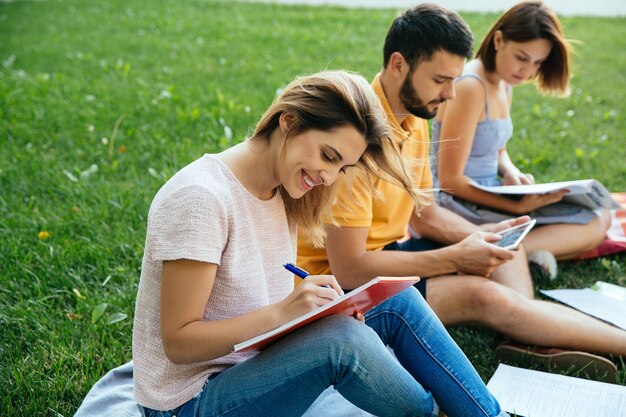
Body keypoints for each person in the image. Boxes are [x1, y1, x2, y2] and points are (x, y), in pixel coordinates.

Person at [132, 70, 509, 417]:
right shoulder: (201, 198)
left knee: (394, 300)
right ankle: (430, 413)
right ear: (289, 120)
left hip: (247, 364)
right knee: (341, 343)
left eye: (341, 167)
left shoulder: (280, 190)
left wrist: (316, 314)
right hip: (189, 402)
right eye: (328, 156)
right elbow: (179, 343)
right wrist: (286, 313)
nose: (328, 178)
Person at [297, 4, 626, 381]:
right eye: (440, 80)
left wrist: (481, 237)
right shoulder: (355, 140)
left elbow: (425, 213)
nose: (451, 94)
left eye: (454, 80)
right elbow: (350, 267)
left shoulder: (411, 114)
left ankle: (528, 334)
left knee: (506, 249)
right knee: (487, 296)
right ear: (398, 64)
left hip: (386, 259)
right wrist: (454, 256)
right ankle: (566, 334)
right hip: (342, 290)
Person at [431, 0, 610, 269]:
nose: (526, 71)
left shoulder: (504, 82)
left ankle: (518, 255)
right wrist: (516, 208)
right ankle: (508, 254)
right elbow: (450, 180)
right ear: (499, 40)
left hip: (492, 189)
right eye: (521, 58)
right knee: (593, 224)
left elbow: (498, 149)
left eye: (537, 63)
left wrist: (510, 171)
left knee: (601, 216)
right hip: (459, 203)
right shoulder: (470, 86)